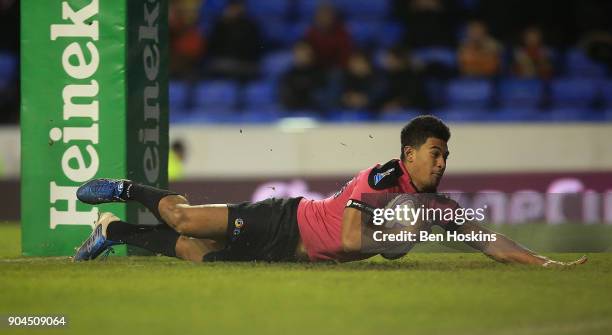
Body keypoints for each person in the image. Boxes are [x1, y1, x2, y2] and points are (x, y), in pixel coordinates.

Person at [73, 116, 586, 267]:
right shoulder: (386, 178)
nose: (442, 161)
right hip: (286, 220)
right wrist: (389, 241)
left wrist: (546, 265)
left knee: (197, 256)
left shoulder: (436, 206)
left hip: (296, 257)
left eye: (446, 154)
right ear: (409, 155)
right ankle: (125, 187)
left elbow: (487, 239)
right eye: (435, 152)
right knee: (186, 223)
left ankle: (114, 229)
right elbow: (345, 234)